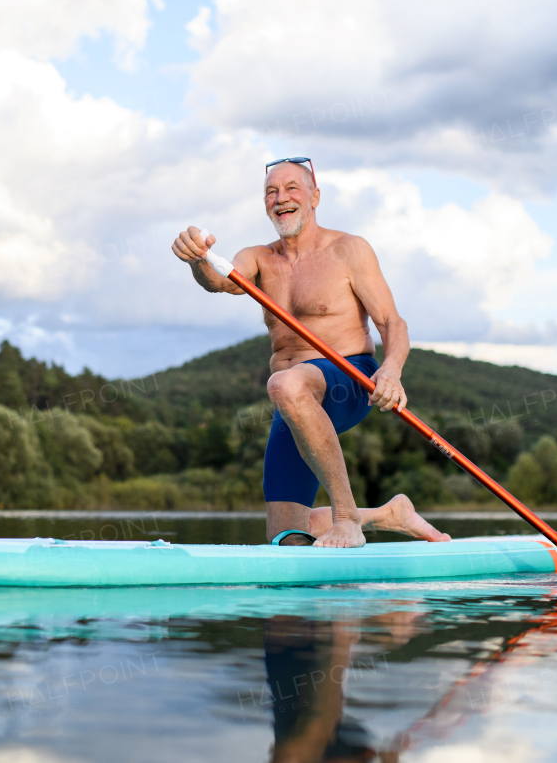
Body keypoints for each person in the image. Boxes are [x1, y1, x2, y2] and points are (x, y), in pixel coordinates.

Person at [171, 157, 450, 548]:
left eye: (291, 189)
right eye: (271, 192)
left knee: (284, 383)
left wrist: (391, 371)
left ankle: (348, 519)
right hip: (292, 398)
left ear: (315, 196)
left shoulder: (349, 250)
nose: (280, 198)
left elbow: (392, 323)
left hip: (348, 379)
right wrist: (198, 258)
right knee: (286, 538)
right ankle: (390, 514)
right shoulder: (258, 258)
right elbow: (218, 280)